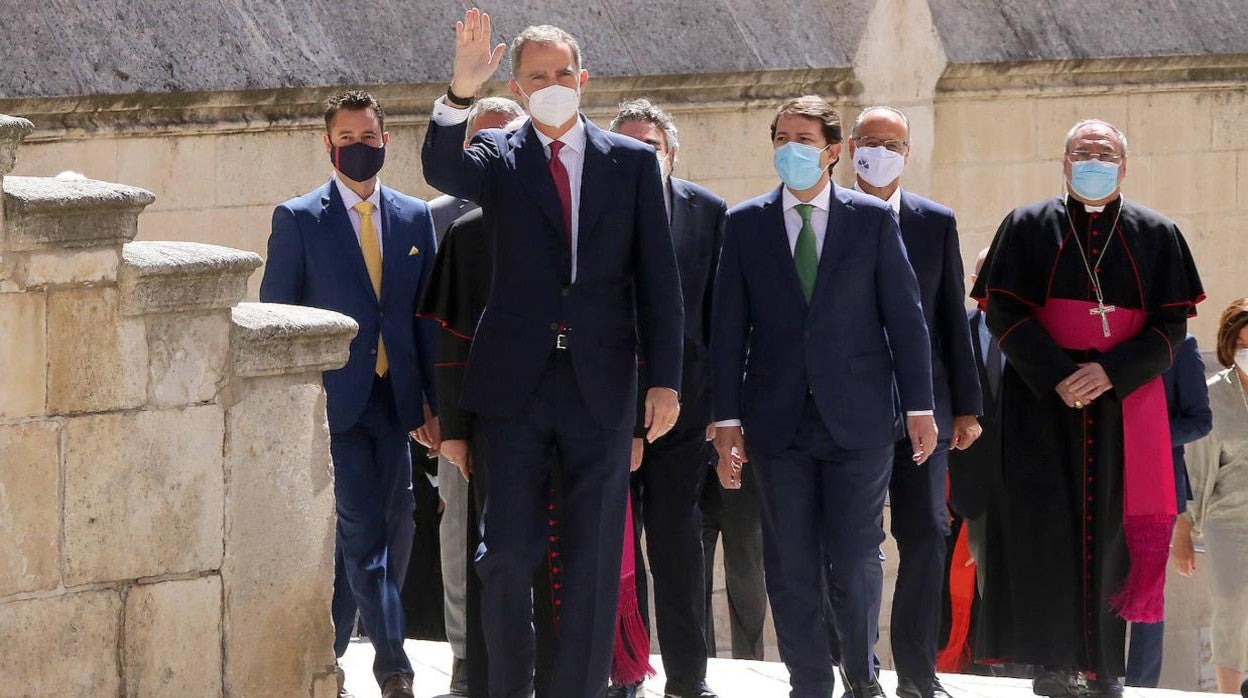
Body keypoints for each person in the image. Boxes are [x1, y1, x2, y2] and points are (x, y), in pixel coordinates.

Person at [421, 10, 684, 698]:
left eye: (563, 73)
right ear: (518, 84)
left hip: (600, 385)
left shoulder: (630, 164)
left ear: (584, 80)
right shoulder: (500, 157)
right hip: (515, 388)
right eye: (537, 76)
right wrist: (460, 92)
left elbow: (658, 279)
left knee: (592, 563)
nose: (552, 84)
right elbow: (440, 165)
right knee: (507, 556)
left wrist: (665, 383)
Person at [711, 95, 938, 698]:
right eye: (782, 137)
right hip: (776, 421)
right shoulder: (746, 223)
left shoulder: (870, 220)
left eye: (805, 139)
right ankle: (808, 679)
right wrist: (725, 420)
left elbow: (906, 320)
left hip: (859, 420)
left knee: (855, 553)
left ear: (833, 151)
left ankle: (862, 673)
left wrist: (920, 407)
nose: (792, 149)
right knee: (788, 560)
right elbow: (728, 328)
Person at [969, 119, 1203, 698]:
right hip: (1039, 404)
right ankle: (1052, 666)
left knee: (1110, 537)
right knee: (1044, 531)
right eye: (1082, 152)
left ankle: (1104, 668)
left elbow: (1171, 325)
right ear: (1063, 162)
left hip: (1121, 406)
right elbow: (1002, 312)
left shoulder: (1158, 232)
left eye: (1104, 153)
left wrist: (1110, 373)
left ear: (1124, 166)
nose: (1092, 160)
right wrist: (1058, 376)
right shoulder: (1026, 226)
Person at [260, 90, 439, 698]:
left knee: (398, 528)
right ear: (327, 144)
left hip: (397, 402)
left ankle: (327, 656)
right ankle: (394, 668)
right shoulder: (298, 219)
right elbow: (275, 318)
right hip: (333, 407)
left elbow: (426, 320)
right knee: (365, 535)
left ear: (386, 141)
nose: (358, 149)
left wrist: (433, 405)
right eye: (347, 139)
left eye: (369, 139)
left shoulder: (415, 218)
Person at [846, 106, 982, 698]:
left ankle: (919, 673)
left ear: (909, 150)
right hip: (849, 411)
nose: (881, 152)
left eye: (893, 143)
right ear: (850, 148)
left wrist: (967, 408)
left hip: (925, 412)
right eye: (871, 141)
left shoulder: (934, 221)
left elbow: (952, 318)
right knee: (853, 541)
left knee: (926, 531)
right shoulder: (830, 219)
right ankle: (858, 669)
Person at [609, 98, 725, 698]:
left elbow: (723, 319)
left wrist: (722, 412)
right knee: (617, 547)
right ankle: (625, 670)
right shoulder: (597, 213)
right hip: (610, 412)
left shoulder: (708, 212)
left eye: (648, 145)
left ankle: (688, 676)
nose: (638, 154)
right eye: (625, 143)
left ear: (671, 153)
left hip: (686, 411)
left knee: (678, 547)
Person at [424, 95, 525, 697]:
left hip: (536, 410)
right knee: (460, 532)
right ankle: (465, 656)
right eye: (480, 143)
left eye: (504, 139)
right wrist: (432, 408)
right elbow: (429, 321)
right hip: (458, 409)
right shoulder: (434, 219)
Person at [1124, 331, 1211, 687]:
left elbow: (1200, 420)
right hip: (1103, 481)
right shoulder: (1104, 333)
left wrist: (1148, 435)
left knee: (1147, 591)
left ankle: (1140, 687)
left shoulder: (1181, 345)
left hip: (1157, 485)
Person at [1172, 299, 1248, 694]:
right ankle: (1229, 693)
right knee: (1232, 603)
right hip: (1227, 520)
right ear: (1230, 346)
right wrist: (1183, 532)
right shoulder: (1215, 395)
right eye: (1244, 345)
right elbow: (1197, 471)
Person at [700, 449, 768, 661]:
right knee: (692, 577)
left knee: (747, 576)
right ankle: (697, 669)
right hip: (691, 460)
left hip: (742, 461)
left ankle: (750, 668)